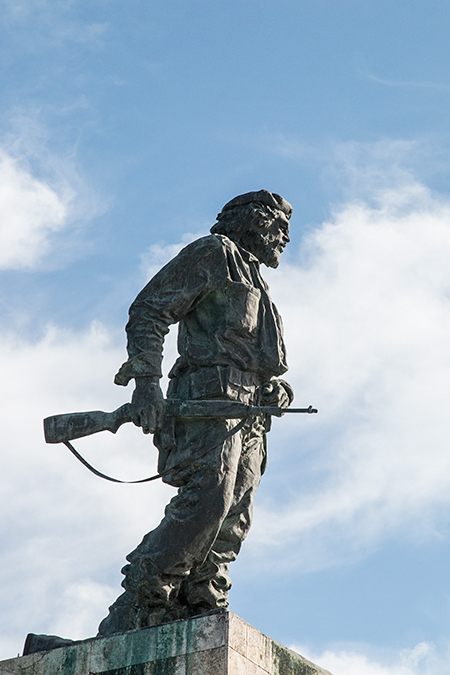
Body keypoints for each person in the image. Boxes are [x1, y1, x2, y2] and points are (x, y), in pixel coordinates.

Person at [98, 190, 294, 635]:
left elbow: (256, 358)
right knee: (208, 500)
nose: (284, 238)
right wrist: (147, 383)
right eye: (277, 227)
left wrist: (275, 389)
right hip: (207, 400)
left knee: (234, 516)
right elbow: (149, 309)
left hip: (250, 413)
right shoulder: (213, 254)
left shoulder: (257, 281)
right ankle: (140, 605)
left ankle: (201, 603)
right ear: (252, 222)